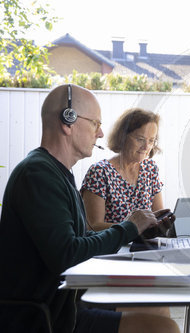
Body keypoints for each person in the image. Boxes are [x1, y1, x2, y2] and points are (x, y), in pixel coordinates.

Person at [0, 84, 179, 333]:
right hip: (46, 317)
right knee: (163, 329)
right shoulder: (38, 174)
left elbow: (81, 238)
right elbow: (68, 254)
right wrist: (128, 227)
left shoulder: (56, 173)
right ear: (68, 121)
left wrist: (135, 231)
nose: (101, 133)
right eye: (95, 123)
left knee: (158, 308)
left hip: (67, 301)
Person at [80, 107, 173, 316]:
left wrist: (165, 221)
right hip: (110, 256)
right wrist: (133, 227)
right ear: (123, 137)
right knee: (151, 312)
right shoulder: (100, 171)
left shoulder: (150, 169)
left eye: (152, 140)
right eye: (141, 139)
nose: (146, 146)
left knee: (161, 305)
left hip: (141, 255)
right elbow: (92, 225)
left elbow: (159, 214)